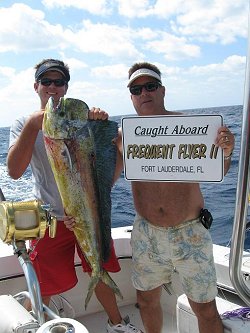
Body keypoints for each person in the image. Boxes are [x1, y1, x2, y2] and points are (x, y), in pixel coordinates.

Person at [7, 58, 142, 333]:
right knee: (42, 281)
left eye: (59, 82)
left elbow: (109, 171)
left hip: (89, 213)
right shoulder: (24, 123)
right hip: (49, 219)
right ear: (37, 87)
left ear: (66, 87)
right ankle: (36, 326)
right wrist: (35, 125)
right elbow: (14, 171)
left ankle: (117, 323)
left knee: (100, 269)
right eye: (47, 82)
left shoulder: (82, 122)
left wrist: (104, 131)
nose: (53, 87)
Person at [114, 62, 235, 333]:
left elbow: (220, 168)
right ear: (131, 96)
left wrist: (226, 151)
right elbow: (107, 180)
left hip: (190, 232)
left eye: (150, 86)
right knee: (145, 300)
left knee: (205, 308)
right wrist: (111, 148)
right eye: (136, 89)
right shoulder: (124, 136)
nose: (144, 93)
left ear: (162, 90)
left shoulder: (194, 128)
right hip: (146, 233)